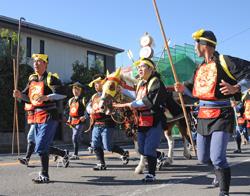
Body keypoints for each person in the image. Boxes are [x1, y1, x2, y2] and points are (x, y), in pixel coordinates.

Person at [174, 29, 250, 196]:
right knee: (203, 158)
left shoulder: (225, 61)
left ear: (204, 45)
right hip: (203, 115)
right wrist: (182, 88)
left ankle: (224, 191)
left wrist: (236, 87)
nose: (194, 48)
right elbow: (192, 90)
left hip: (222, 115)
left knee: (218, 158)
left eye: (196, 44)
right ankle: (218, 173)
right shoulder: (200, 67)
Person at [13, 54, 69, 183]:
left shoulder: (51, 79)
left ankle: (44, 175)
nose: (35, 64)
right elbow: (29, 98)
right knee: (40, 145)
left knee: (41, 146)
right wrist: (19, 95)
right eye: (34, 62)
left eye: (39, 62)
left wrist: (48, 97)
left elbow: (62, 94)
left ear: (45, 64)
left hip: (49, 115)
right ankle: (63, 153)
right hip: (36, 115)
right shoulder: (32, 80)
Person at [114, 58, 171, 182]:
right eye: (138, 67)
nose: (139, 69)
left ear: (151, 69)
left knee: (149, 149)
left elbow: (149, 100)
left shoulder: (156, 82)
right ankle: (160, 156)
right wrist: (121, 90)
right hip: (141, 120)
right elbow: (136, 97)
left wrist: (133, 104)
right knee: (141, 149)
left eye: (142, 66)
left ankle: (151, 174)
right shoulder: (140, 83)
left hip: (154, 119)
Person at [86, 74, 129, 170]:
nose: (96, 86)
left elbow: (117, 107)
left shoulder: (110, 94)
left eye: (97, 83)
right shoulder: (94, 96)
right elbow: (88, 106)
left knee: (107, 146)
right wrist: (90, 110)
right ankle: (101, 163)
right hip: (96, 123)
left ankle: (123, 152)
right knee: (95, 144)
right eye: (94, 84)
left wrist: (111, 110)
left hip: (107, 123)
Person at [65, 82, 87, 160]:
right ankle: (91, 146)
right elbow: (67, 111)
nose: (75, 91)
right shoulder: (71, 100)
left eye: (77, 89)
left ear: (81, 90)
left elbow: (88, 109)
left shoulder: (83, 99)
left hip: (80, 121)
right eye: (74, 89)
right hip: (73, 121)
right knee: (79, 139)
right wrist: (68, 118)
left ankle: (75, 154)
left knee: (75, 136)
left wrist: (85, 116)